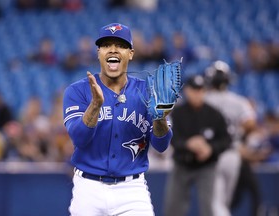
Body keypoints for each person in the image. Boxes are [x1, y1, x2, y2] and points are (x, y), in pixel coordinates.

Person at [62, 23, 173, 215]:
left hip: (132, 190)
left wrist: (160, 118)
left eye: (120, 45)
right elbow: (79, 138)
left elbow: (162, 145)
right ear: (98, 53)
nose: (113, 49)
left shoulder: (148, 91)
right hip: (89, 188)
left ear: (130, 53)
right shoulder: (77, 91)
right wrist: (95, 105)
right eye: (106, 45)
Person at [204, 60, 268, 216]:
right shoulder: (238, 101)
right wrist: (237, 131)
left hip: (212, 154)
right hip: (233, 154)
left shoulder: (204, 100)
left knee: (216, 202)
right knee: (223, 201)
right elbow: (251, 123)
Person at [164, 75, 231, 216]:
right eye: (194, 89)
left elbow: (226, 139)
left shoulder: (214, 114)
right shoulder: (178, 113)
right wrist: (187, 144)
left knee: (208, 207)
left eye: (200, 90)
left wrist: (211, 148)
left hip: (206, 166)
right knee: (173, 207)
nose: (197, 93)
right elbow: (169, 137)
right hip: (182, 164)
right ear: (187, 91)